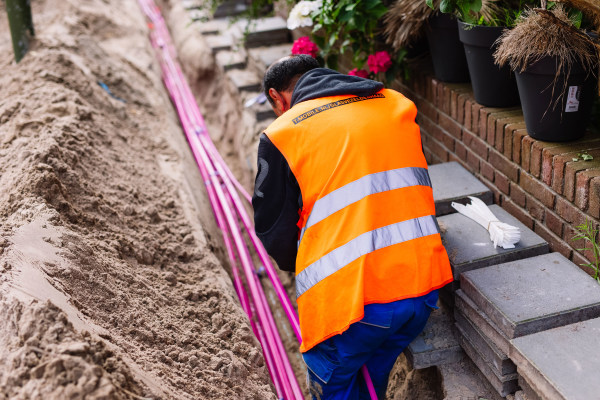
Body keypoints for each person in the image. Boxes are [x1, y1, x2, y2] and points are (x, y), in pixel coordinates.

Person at [253, 54, 453, 400]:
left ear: (277, 97)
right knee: (372, 379)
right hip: (420, 291)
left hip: (352, 305)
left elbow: (274, 229)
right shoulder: (394, 104)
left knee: (333, 387)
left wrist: (296, 264)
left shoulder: (283, 133)